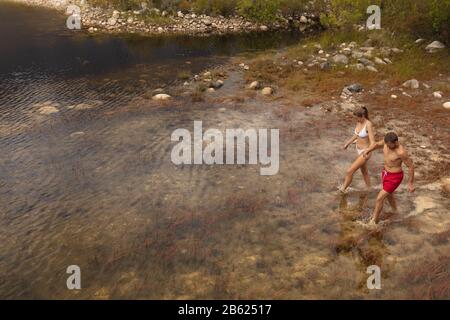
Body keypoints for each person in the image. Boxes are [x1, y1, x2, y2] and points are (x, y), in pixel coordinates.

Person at [363, 132, 415, 226]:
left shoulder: (401, 152)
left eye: (389, 144)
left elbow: (411, 166)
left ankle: (373, 222)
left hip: (395, 177)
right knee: (389, 195)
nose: (387, 146)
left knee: (379, 198)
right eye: (386, 144)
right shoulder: (386, 142)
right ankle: (395, 210)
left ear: (395, 142)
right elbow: (376, 144)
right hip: (385, 173)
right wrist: (368, 150)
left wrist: (410, 183)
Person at [339, 106, 375, 193]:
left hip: (365, 152)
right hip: (358, 150)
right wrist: (347, 143)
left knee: (349, 171)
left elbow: (373, 142)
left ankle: (342, 191)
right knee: (364, 172)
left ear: (362, 116)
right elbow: (357, 135)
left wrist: (367, 150)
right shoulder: (359, 122)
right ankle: (369, 189)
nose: (356, 120)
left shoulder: (368, 125)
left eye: (357, 118)